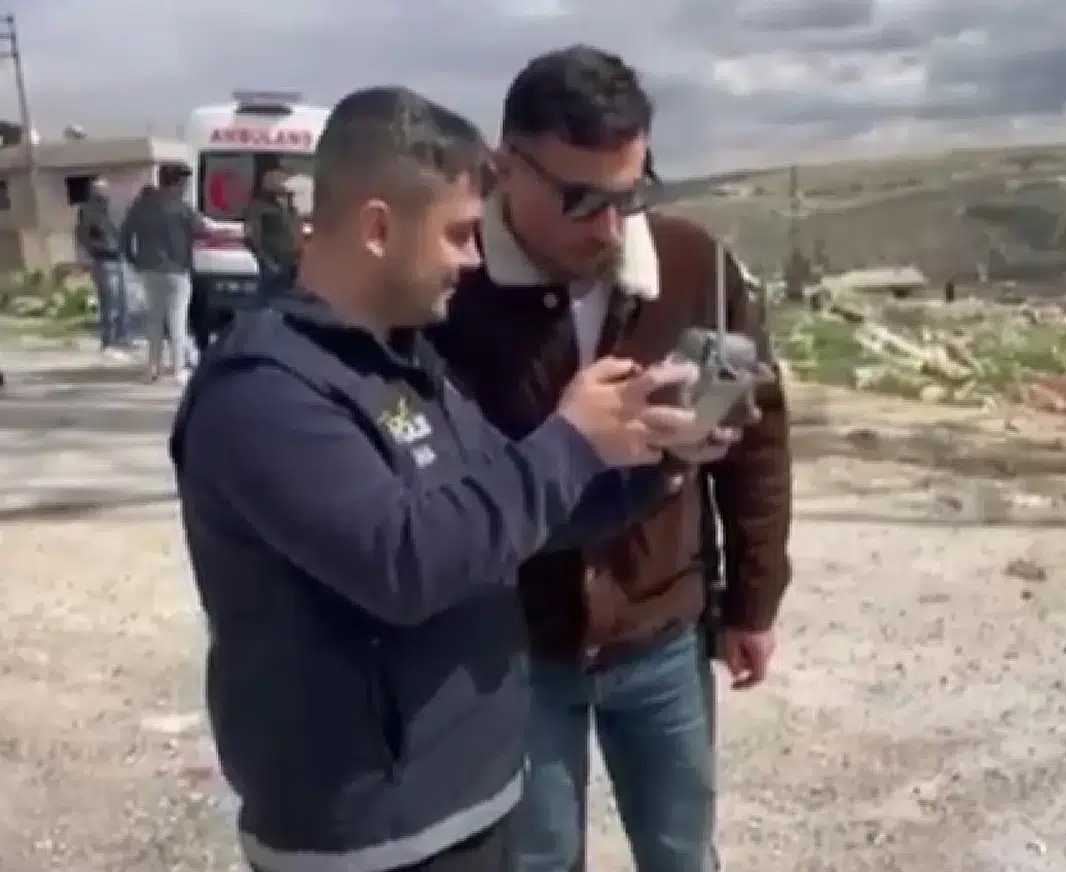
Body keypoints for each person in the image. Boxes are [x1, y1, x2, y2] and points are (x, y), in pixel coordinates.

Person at [168, 85, 731, 872]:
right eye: (459, 234)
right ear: (377, 228)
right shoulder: (264, 393)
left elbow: (503, 513)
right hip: (369, 842)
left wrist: (658, 461)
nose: (472, 259)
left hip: (475, 805)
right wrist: (570, 440)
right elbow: (407, 563)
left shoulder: (404, 360)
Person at [431, 46, 794, 872]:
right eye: (582, 199)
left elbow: (758, 436)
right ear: (504, 168)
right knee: (537, 857)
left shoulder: (694, 265)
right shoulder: (449, 287)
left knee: (680, 852)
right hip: (513, 647)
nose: (609, 226)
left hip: (662, 629)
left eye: (631, 194)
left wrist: (754, 600)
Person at [121, 164, 204, 383]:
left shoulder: (141, 205)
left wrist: (134, 260)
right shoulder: (181, 207)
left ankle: (152, 367)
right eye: (184, 183)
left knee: (154, 320)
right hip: (177, 270)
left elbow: (125, 234)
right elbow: (200, 228)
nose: (185, 188)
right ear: (178, 182)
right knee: (177, 320)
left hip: (148, 269)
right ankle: (178, 369)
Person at [75, 176, 132, 358]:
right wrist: (95, 250)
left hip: (120, 258)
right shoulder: (87, 210)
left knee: (124, 301)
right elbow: (83, 235)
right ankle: (108, 340)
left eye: (104, 189)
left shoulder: (114, 209)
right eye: (98, 189)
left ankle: (123, 337)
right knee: (109, 302)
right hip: (103, 260)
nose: (103, 192)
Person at [243, 167, 304, 299]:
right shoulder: (259, 207)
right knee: (269, 298)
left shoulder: (292, 208)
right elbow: (251, 236)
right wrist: (267, 262)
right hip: (271, 264)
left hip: (292, 264)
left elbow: (296, 231)